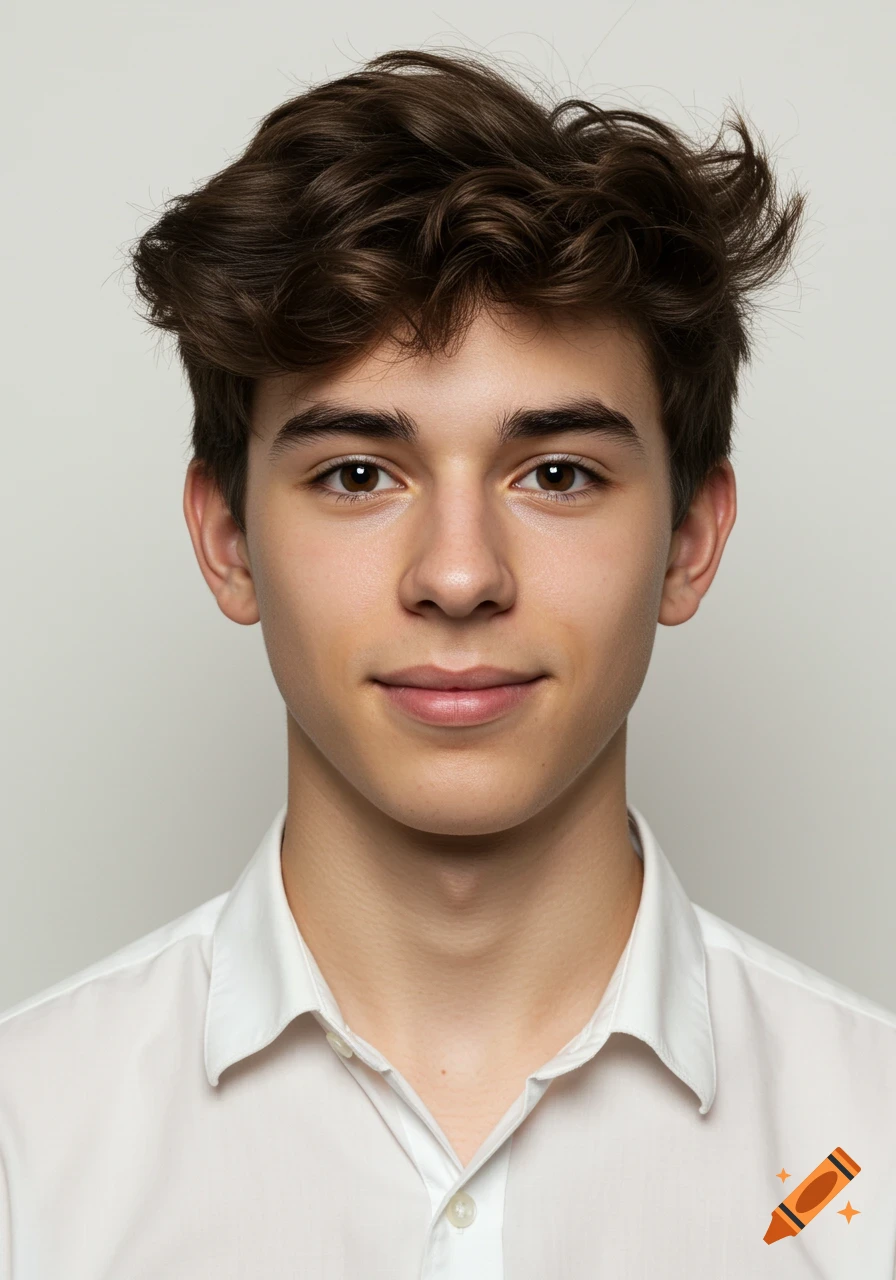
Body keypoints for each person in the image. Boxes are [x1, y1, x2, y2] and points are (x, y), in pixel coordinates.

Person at [1, 47, 894, 1279]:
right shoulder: (26, 1149)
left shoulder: (872, 1153)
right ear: (226, 540)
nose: (459, 574)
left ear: (689, 539)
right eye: (357, 473)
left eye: (557, 473)